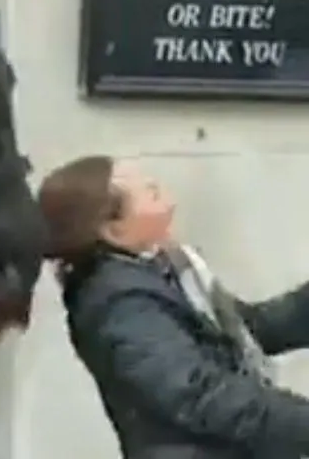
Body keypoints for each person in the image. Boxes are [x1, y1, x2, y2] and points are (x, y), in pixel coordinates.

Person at [38, 154, 309, 459]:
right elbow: (199, 394)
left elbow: (241, 331)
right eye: (146, 190)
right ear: (113, 230)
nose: (154, 183)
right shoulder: (119, 305)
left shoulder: (165, 268)